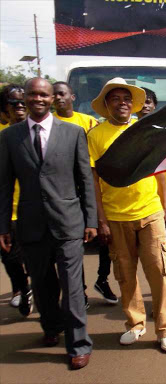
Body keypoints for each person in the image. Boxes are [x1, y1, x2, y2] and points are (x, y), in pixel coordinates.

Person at [0, 78, 97, 370]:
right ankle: (51, 326)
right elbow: (4, 185)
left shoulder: (74, 133)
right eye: (32, 94)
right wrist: (3, 226)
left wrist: (90, 218)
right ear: (25, 99)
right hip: (30, 225)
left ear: (53, 98)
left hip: (68, 223)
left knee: (72, 287)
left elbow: (85, 180)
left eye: (44, 94)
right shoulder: (9, 137)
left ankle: (79, 344)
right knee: (42, 284)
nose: (38, 99)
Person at [87, 78, 166, 352]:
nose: (122, 103)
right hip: (115, 217)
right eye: (115, 98)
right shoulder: (95, 136)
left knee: (160, 272)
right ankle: (135, 324)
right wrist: (100, 219)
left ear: (133, 104)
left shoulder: (144, 129)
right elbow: (93, 181)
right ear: (106, 105)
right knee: (125, 275)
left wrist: (163, 207)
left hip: (150, 212)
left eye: (127, 98)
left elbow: (158, 169)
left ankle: (165, 329)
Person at [52, 81, 118, 307]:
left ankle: (102, 279)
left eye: (63, 94)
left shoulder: (88, 121)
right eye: (55, 95)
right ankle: (79, 292)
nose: (58, 98)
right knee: (73, 247)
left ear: (72, 96)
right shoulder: (50, 124)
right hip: (66, 193)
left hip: (88, 188)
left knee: (105, 239)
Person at [137, 87, 166, 263]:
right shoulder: (127, 131)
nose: (145, 106)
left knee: (165, 240)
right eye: (141, 102)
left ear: (155, 105)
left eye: (148, 101)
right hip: (137, 199)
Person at [0, 84, 32, 314]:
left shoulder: (38, 132)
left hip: (34, 210)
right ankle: (21, 288)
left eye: (23, 102)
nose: (19, 106)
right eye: (14, 103)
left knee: (36, 259)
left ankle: (34, 291)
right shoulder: (3, 136)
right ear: (4, 109)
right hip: (7, 211)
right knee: (10, 259)